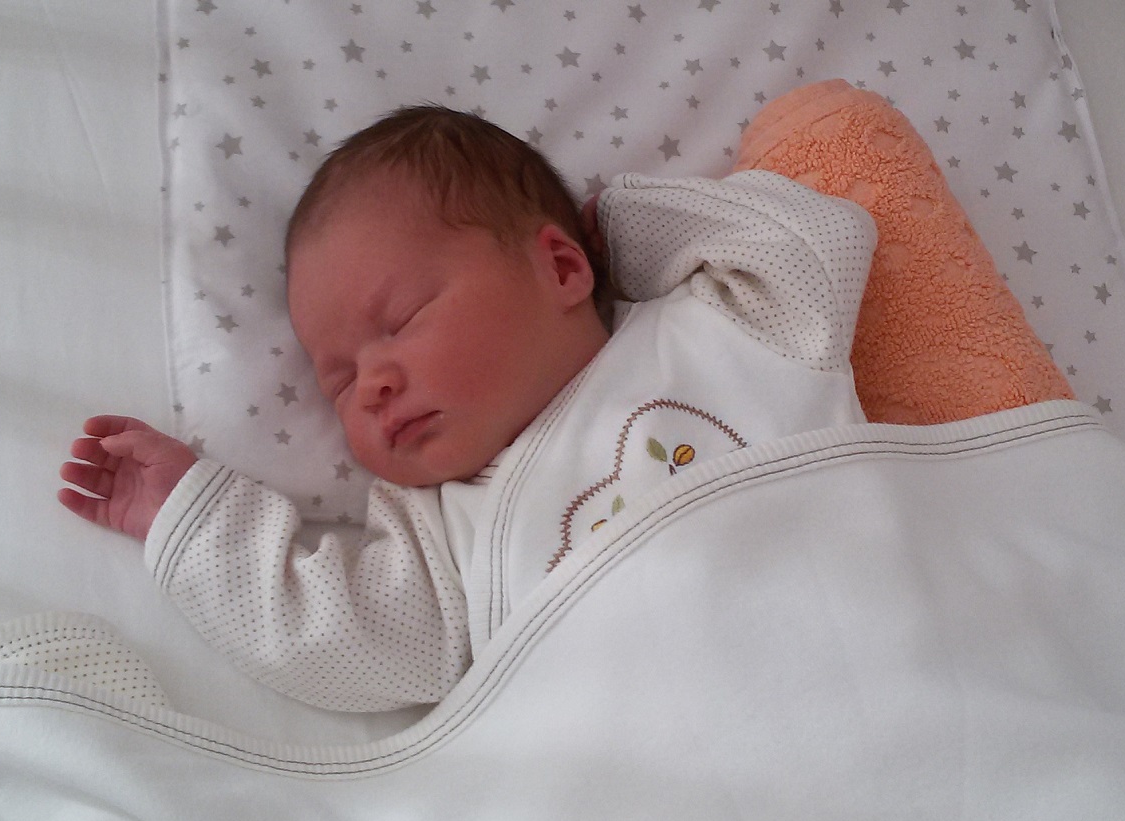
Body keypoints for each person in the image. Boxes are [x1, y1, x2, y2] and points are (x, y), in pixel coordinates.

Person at [59, 105, 875, 711]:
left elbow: (815, 241)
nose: (370, 385)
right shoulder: (446, 536)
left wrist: (619, 235)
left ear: (561, 270)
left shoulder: (721, 326)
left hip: (873, 641)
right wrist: (193, 518)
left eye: (402, 320)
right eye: (337, 380)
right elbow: (335, 640)